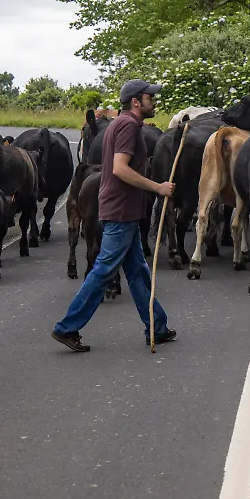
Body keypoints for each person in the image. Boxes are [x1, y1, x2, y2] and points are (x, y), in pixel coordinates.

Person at [51, 79, 177, 352]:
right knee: (104, 270)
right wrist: (157, 187)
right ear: (135, 101)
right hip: (120, 210)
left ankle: (157, 325)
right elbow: (120, 168)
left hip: (123, 209)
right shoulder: (129, 127)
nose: (153, 102)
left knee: (137, 271)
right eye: (149, 97)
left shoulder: (120, 125)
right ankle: (67, 327)